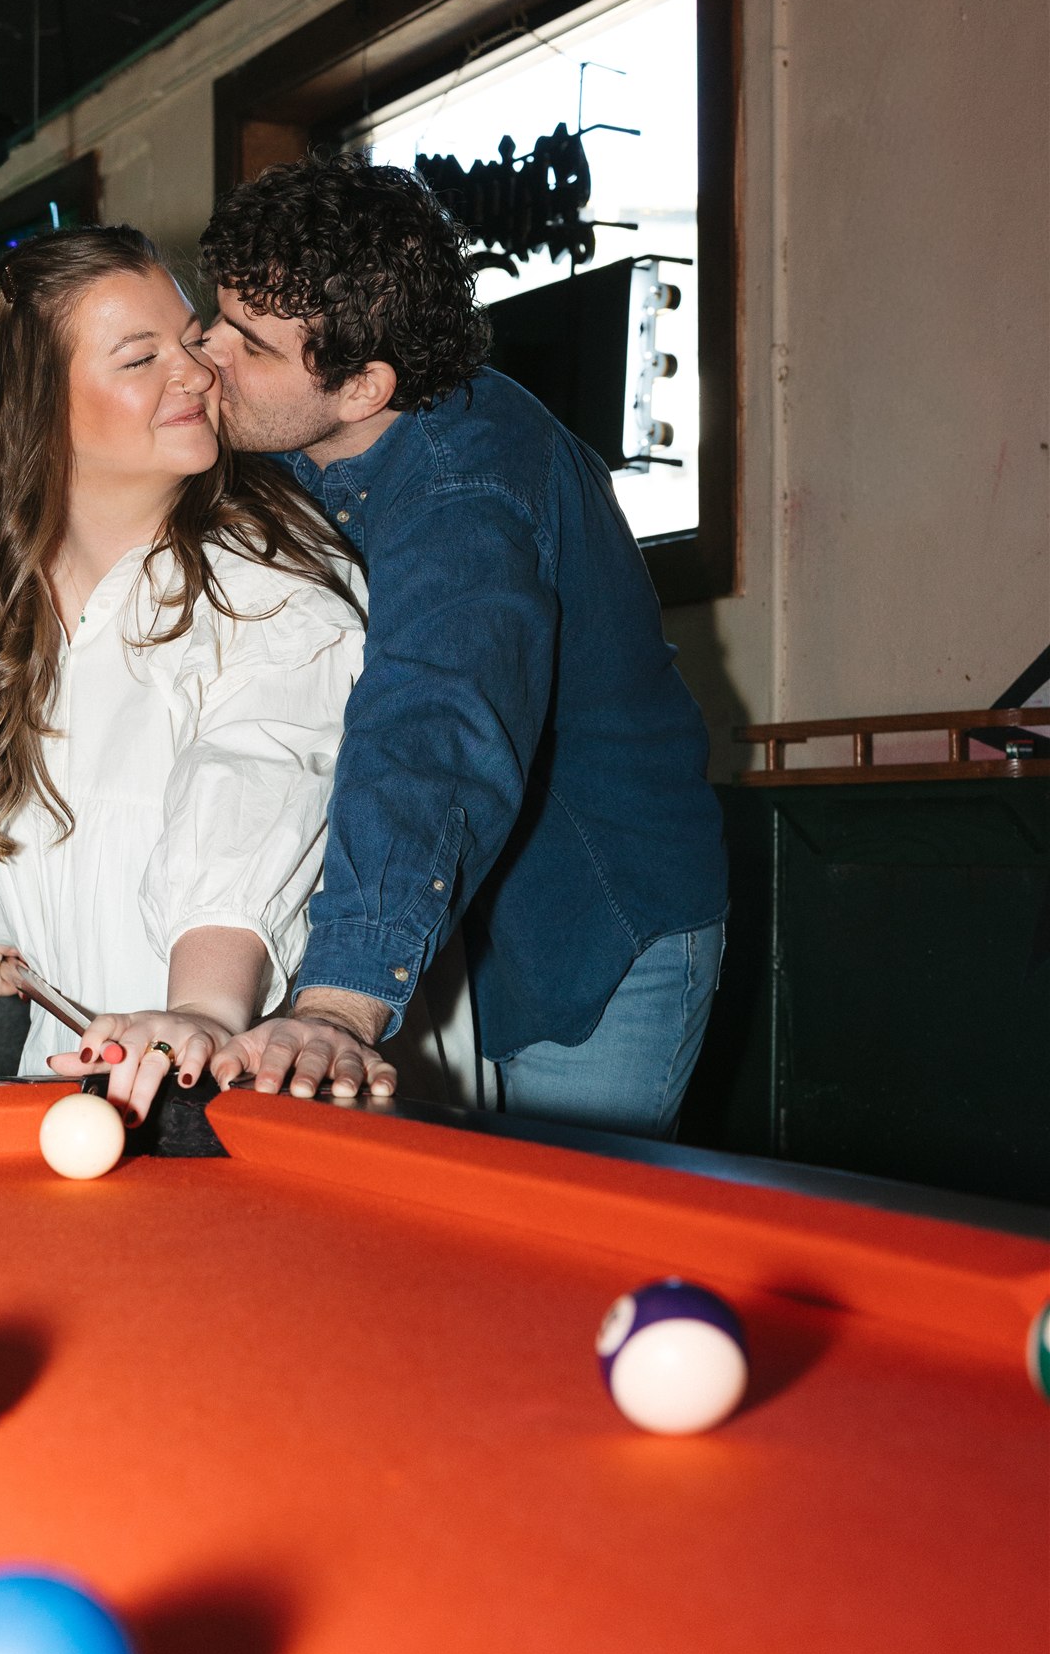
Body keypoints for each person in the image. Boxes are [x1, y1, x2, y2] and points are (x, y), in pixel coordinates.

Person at [198, 154, 729, 1138]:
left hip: (592, 916)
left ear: (364, 385)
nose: (205, 352)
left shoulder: (464, 487)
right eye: (215, 316)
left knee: (561, 1235)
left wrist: (339, 999)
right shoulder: (302, 447)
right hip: (433, 909)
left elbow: (432, 725)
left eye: (251, 345)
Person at [0, 224, 364, 1127]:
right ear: (36, 406)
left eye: (189, 340)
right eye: (141, 358)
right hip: (72, 1086)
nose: (197, 374)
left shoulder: (268, 582)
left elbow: (256, 786)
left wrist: (203, 1011)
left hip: (244, 1089)